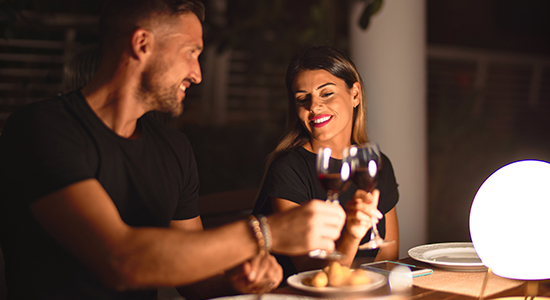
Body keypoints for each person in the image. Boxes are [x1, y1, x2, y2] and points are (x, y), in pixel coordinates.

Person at [0, 1, 347, 299]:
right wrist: (267, 232)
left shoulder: (173, 148)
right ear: (142, 44)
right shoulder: (41, 130)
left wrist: (236, 279)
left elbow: (193, 281)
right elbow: (120, 261)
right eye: (191, 52)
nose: (197, 74)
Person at [253, 45, 400, 280]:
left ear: (355, 94)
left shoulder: (375, 163)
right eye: (303, 99)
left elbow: (388, 256)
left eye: (326, 93)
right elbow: (314, 276)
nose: (314, 106)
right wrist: (352, 233)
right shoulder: (288, 169)